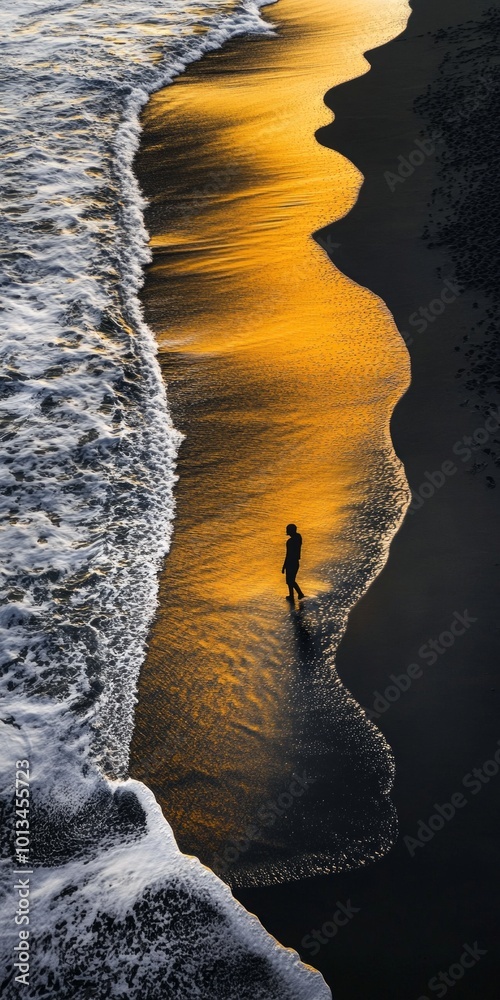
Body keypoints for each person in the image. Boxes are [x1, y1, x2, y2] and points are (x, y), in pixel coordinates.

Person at [282, 523, 304, 601]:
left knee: (290, 580)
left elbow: (288, 554)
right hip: (295, 562)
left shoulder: (290, 542)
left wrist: (284, 566)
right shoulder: (298, 537)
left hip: (291, 562)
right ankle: (293, 595)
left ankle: (299, 594)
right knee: (290, 580)